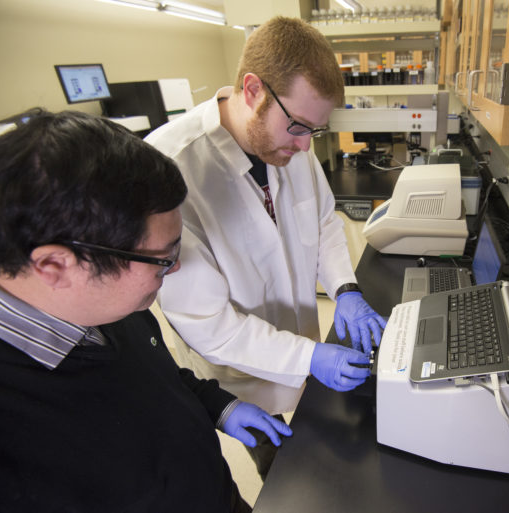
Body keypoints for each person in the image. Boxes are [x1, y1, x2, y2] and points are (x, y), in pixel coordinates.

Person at [0, 109, 292, 513]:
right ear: (56, 266)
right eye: (161, 257)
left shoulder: (113, 305)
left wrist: (219, 406)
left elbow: (154, 378)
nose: (175, 268)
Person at [145, 16, 387, 477]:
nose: (304, 146)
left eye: (314, 131)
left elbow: (322, 222)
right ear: (253, 89)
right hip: (241, 373)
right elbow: (209, 324)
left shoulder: (292, 141)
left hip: (303, 340)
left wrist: (345, 288)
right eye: (298, 126)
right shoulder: (169, 170)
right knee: (288, 476)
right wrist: (308, 358)